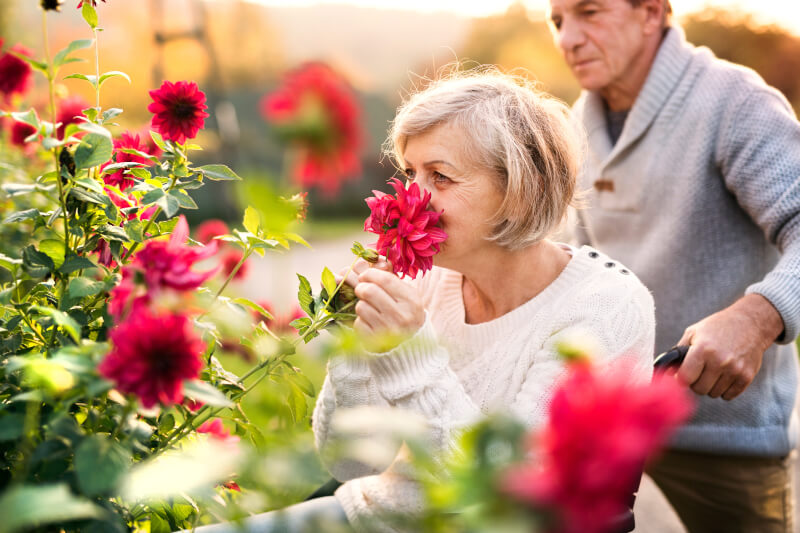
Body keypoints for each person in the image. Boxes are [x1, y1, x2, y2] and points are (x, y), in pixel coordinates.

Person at [189, 71, 655, 532]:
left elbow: (498, 495)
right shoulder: (427, 280)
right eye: (410, 173)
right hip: (371, 515)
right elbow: (349, 462)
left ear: (519, 191)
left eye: (441, 177)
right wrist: (356, 342)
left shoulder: (603, 309)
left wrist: (408, 352)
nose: (412, 197)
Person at [546, 0, 800, 530]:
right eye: (558, 21)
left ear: (652, 13)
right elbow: (585, 272)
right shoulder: (575, 123)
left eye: (589, 12)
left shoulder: (735, 102)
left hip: (724, 429)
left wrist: (755, 317)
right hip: (614, 423)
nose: (568, 37)